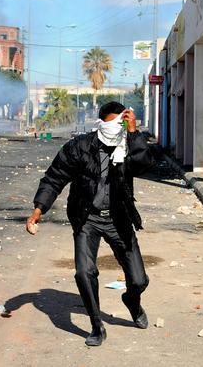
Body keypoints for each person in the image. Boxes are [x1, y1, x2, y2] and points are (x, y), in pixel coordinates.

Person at [25, 102, 156, 347]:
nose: (115, 129)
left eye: (121, 123)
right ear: (100, 123)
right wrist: (38, 208)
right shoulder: (80, 147)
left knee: (139, 280)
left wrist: (134, 133)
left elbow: (145, 164)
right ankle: (97, 326)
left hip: (119, 218)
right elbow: (55, 177)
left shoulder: (128, 146)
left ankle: (132, 301)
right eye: (111, 123)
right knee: (84, 272)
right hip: (87, 218)